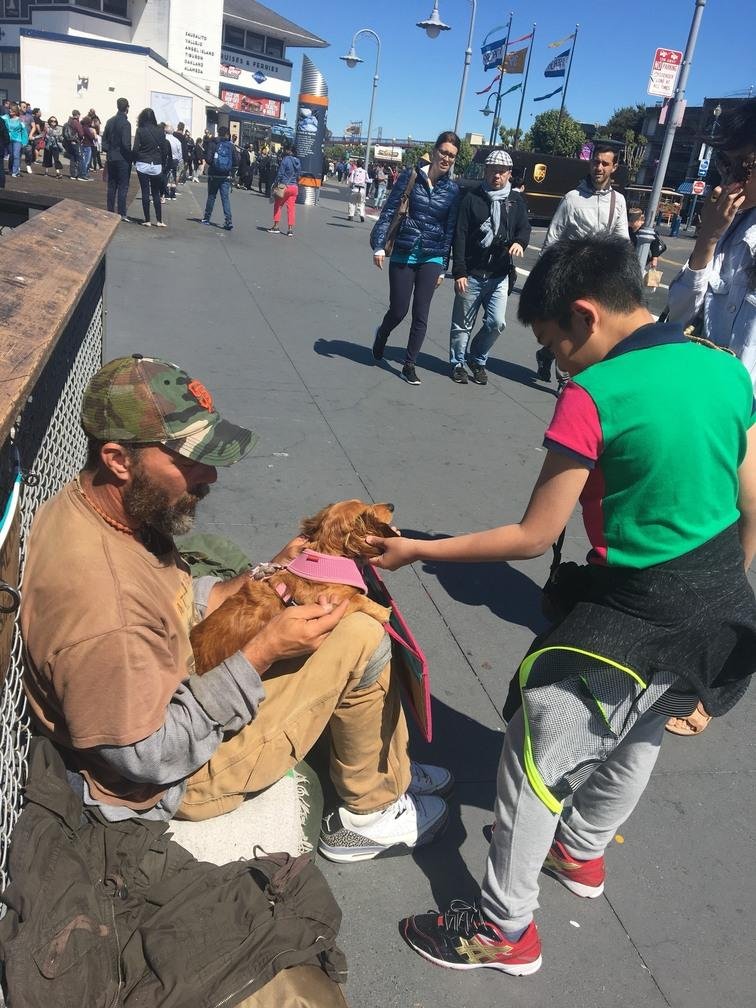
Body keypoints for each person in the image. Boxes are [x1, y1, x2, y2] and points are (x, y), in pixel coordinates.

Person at [367, 236, 756, 976]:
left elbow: (532, 534)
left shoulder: (595, 396)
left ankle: (502, 930)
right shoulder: (723, 367)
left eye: (553, 345)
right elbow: (751, 502)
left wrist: (418, 550)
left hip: (636, 610)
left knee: (533, 750)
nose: (557, 363)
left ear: (583, 314)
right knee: (642, 731)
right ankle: (580, 854)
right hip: (721, 601)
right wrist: (723, 593)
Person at [21, 354, 451, 866]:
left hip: (179, 686)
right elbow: (149, 758)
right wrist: (263, 653)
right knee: (362, 632)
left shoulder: (104, 507)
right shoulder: (104, 607)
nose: (211, 477)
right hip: (179, 779)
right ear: (119, 459)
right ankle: (373, 810)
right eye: (190, 460)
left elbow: (173, 601)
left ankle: (389, 765)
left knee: (331, 614)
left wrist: (265, 575)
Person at [666, 98, 756, 737]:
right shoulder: (727, 227)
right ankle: (681, 658)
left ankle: (713, 687)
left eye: (743, 164)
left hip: (745, 412)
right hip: (714, 403)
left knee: (741, 546)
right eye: (725, 162)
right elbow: (678, 316)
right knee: (707, 538)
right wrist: (701, 241)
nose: (730, 178)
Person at [370, 131, 462, 385]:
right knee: (399, 310)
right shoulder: (411, 178)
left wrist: (443, 265)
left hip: (431, 256)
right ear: (434, 152)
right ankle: (383, 334)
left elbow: (450, 230)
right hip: (404, 250)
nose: (446, 158)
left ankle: (409, 364)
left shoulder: (453, 190)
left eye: (452, 156)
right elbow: (389, 211)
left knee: (421, 313)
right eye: (443, 152)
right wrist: (379, 245)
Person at [535, 144, 629, 391]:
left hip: (601, 279)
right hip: (572, 276)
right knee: (571, 329)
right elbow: (553, 237)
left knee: (594, 332)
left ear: (614, 167)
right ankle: (565, 380)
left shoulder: (618, 201)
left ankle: (547, 354)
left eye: (605, 163)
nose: (599, 167)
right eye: (596, 162)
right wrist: (545, 277)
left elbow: (623, 242)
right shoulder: (572, 198)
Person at [448, 149, 530, 385]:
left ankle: (477, 358)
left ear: (509, 174)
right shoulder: (472, 198)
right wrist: (460, 271)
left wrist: (519, 242)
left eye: (502, 171)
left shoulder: (515, 201)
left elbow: (524, 228)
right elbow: (460, 235)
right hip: (472, 273)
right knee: (462, 324)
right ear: (486, 171)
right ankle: (457, 363)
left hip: (499, 274)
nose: (497, 175)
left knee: (497, 323)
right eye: (493, 170)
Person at [132, 107, 168, 227]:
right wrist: (162, 163)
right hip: (156, 164)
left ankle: (147, 220)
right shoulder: (160, 131)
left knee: (145, 192)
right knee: (156, 192)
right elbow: (164, 150)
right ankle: (159, 220)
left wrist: (134, 160)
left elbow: (136, 148)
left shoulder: (140, 130)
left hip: (142, 163)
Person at [202, 126, 240, 230]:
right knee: (225, 199)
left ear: (218, 133)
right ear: (227, 134)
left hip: (214, 175)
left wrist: (214, 164)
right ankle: (228, 221)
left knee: (211, 196)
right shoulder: (230, 146)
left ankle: (206, 218)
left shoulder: (213, 143)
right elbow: (236, 162)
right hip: (225, 176)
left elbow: (209, 159)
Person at [102, 97, 132, 220]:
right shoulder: (126, 123)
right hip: (122, 158)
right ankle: (121, 213)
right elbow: (126, 143)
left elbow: (104, 140)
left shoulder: (110, 121)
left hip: (111, 156)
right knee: (123, 186)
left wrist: (108, 150)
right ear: (127, 108)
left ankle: (110, 210)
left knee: (112, 185)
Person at [268, 143, 300, 237]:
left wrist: (275, 183)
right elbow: (298, 175)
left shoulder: (285, 160)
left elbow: (280, 173)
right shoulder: (298, 161)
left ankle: (276, 226)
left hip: (284, 186)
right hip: (294, 187)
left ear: (288, 150)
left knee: (278, 205)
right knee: (291, 208)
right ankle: (290, 229)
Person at [627, 206, 666, 272]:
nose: (629, 222)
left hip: (642, 257)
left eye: (632, 221)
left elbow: (655, 244)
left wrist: (654, 259)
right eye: (629, 220)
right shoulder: (629, 229)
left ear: (640, 221)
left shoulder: (645, 231)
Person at [5, 104, 28, 178]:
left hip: (18, 140)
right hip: (9, 140)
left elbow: (24, 131)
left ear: (15, 111)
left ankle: (15, 172)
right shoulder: (7, 118)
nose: (10, 110)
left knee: (16, 155)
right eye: (9, 109)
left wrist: (24, 142)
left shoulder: (20, 120)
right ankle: (11, 169)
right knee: (11, 156)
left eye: (11, 110)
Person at [164, 123, 182, 200]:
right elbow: (180, 153)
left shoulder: (163, 138)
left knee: (166, 176)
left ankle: (166, 193)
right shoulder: (177, 141)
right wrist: (179, 160)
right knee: (174, 176)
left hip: (166, 159)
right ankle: (173, 194)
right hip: (175, 160)